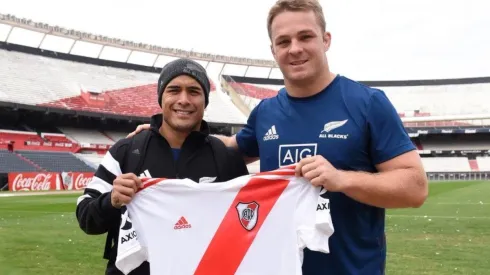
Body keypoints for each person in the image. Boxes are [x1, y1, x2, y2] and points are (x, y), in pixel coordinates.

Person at [127, 0, 429, 274]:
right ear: (273, 50)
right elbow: (229, 148)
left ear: (326, 40)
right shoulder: (267, 112)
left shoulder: (367, 103)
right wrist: (163, 133)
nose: (294, 48)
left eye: (305, 37)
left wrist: (341, 179)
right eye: (283, 41)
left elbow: (415, 188)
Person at [76, 58, 249, 275]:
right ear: (161, 97)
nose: (183, 100)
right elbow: (85, 217)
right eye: (174, 90)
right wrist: (112, 201)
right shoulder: (125, 152)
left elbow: (248, 223)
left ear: (205, 100)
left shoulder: (227, 159)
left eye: (194, 91)